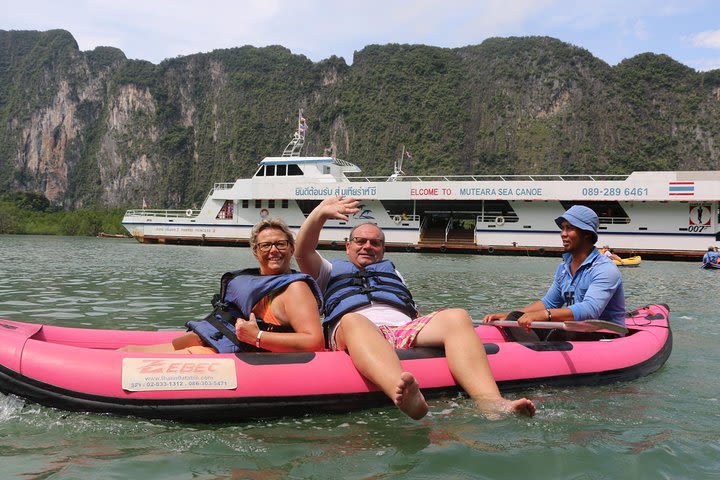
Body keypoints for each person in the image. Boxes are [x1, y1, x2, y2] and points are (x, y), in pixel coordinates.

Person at [294, 196, 535, 420]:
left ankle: (491, 403)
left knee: (457, 316)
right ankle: (404, 395)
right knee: (351, 320)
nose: (367, 246)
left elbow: (410, 307)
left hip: (403, 329)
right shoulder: (326, 271)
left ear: (383, 250)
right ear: (348, 247)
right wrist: (319, 214)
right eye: (360, 241)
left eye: (375, 243)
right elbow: (302, 251)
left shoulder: (393, 273)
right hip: (357, 332)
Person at [120, 218, 324, 353]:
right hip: (217, 342)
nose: (274, 250)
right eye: (265, 245)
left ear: (291, 249)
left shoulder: (295, 289)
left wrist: (258, 337)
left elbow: (314, 342)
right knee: (129, 351)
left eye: (280, 244)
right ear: (255, 251)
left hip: (240, 356)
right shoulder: (257, 282)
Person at [483, 205, 625, 336]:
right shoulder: (563, 268)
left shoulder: (605, 269)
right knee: (515, 317)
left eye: (569, 228)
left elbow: (590, 310)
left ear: (587, 233)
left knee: (561, 333)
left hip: (604, 334)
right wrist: (510, 315)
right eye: (562, 228)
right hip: (577, 328)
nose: (563, 234)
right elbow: (548, 303)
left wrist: (546, 315)